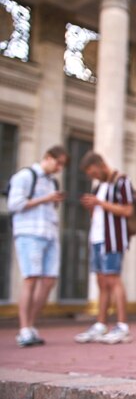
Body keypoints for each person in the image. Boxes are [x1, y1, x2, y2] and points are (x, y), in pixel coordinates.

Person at [8, 145, 68, 347]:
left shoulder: (52, 182)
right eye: (58, 163)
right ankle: (24, 329)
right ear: (48, 158)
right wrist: (46, 199)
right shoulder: (25, 176)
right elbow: (14, 205)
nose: (59, 168)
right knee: (31, 279)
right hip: (29, 233)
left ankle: (31, 325)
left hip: (49, 234)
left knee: (49, 280)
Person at [74, 151, 134, 344]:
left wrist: (100, 203)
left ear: (100, 165)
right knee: (101, 282)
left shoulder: (121, 181)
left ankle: (122, 326)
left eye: (93, 173)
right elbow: (100, 216)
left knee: (113, 279)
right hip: (97, 239)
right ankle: (101, 324)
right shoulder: (99, 186)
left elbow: (127, 210)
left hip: (113, 239)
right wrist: (93, 207)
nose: (93, 177)